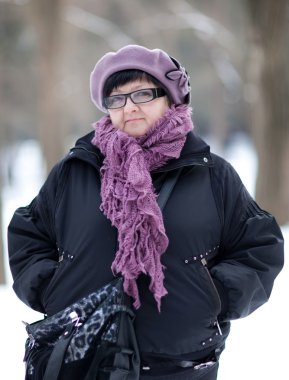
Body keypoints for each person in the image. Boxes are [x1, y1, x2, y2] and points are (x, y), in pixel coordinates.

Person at [8, 45, 284, 380]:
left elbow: (259, 246)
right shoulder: (76, 169)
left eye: (142, 93)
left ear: (170, 99)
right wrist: (53, 289)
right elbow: (28, 234)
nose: (129, 107)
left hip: (181, 364)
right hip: (85, 359)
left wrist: (217, 297)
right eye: (117, 98)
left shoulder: (211, 173)